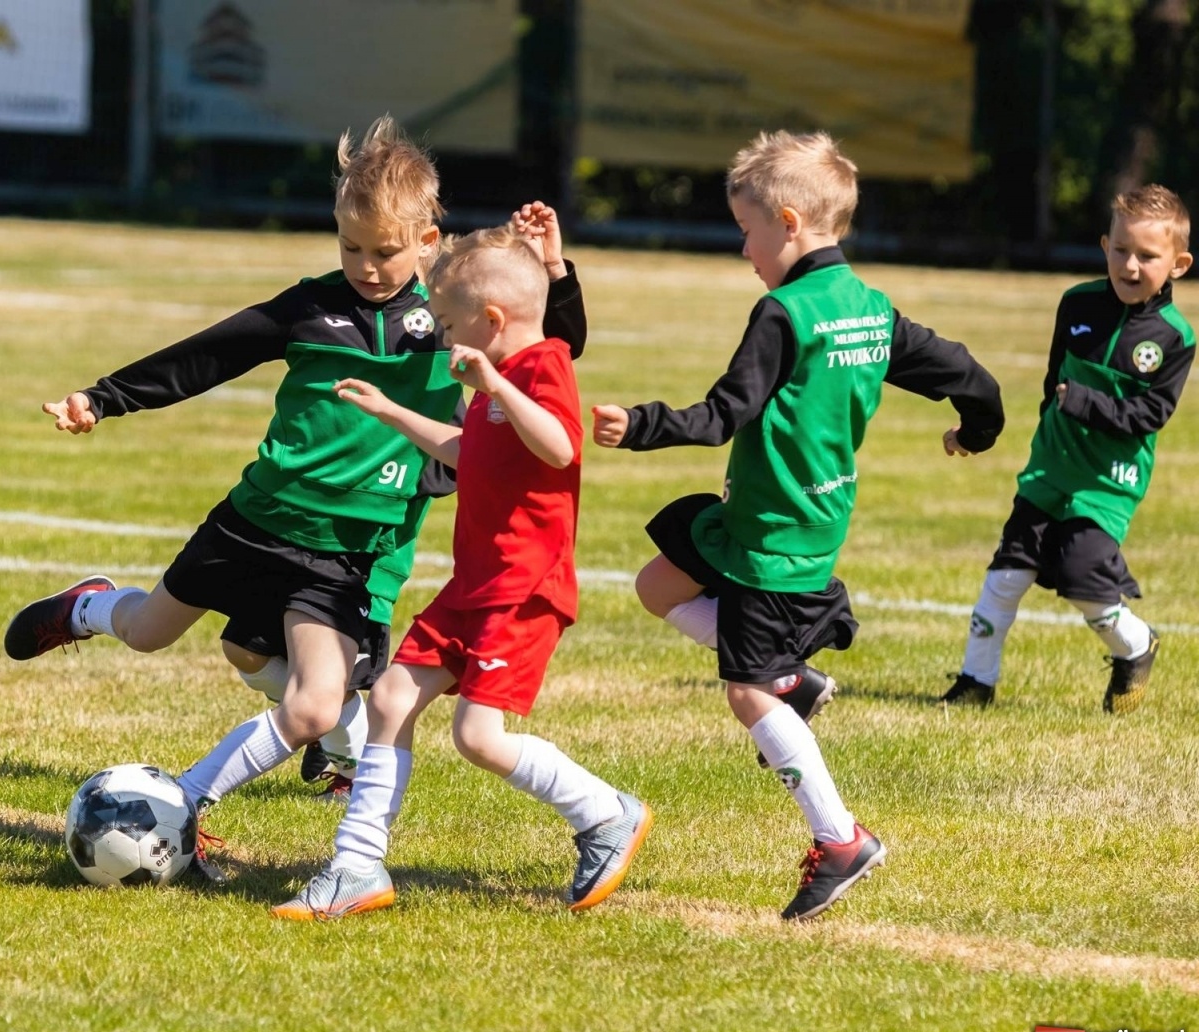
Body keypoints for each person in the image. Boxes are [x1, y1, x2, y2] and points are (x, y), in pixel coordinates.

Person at [1, 116, 584, 874]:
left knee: (306, 697)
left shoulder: (447, 319)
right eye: (350, 248)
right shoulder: (310, 308)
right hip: (255, 518)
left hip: (348, 550)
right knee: (149, 630)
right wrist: (105, 397)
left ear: (429, 242)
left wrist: (558, 272)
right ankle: (88, 605)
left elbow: (547, 354)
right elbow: (209, 355)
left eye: (384, 251)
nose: (366, 267)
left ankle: (193, 804)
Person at [591, 130, 1005, 920]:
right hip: (777, 518)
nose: (744, 249)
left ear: (787, 222)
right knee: (658, 583)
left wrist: (640, 424)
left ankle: (840, 835)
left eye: (747, 230)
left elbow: (723, 415)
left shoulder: (783, 313)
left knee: (745, 694)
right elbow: (967, 373)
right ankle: (792, 677)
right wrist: (976, 429)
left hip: (775, 540)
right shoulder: (868, 309)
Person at [272, 225, 651, 921]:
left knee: (478, 737)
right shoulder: (492, 383)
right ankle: (357, 867)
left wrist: (496, 380)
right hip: (473, 584)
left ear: (493, 321)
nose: (443, 339)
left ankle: (607, 814)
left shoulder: (542, 364)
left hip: (522, 590)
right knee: (389, 699)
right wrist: (391, 413)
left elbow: (562, 446)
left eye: (448, 325)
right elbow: (469, 447)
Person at [942, 184, 1193, 715]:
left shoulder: (1175, 337)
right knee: (1005, 577)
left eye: (1148, 256)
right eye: (1121, 249)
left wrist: (1083, 403)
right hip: (1049, 472)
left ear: (1178, 263)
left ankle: (1136, 645)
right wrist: (1048, 426)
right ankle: (975, 682)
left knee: (1087, 585)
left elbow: (1150, 416)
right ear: (1105, 245)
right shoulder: (1076, 303)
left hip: (1107, 485)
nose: (1130, 265)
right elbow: (1053, 378)